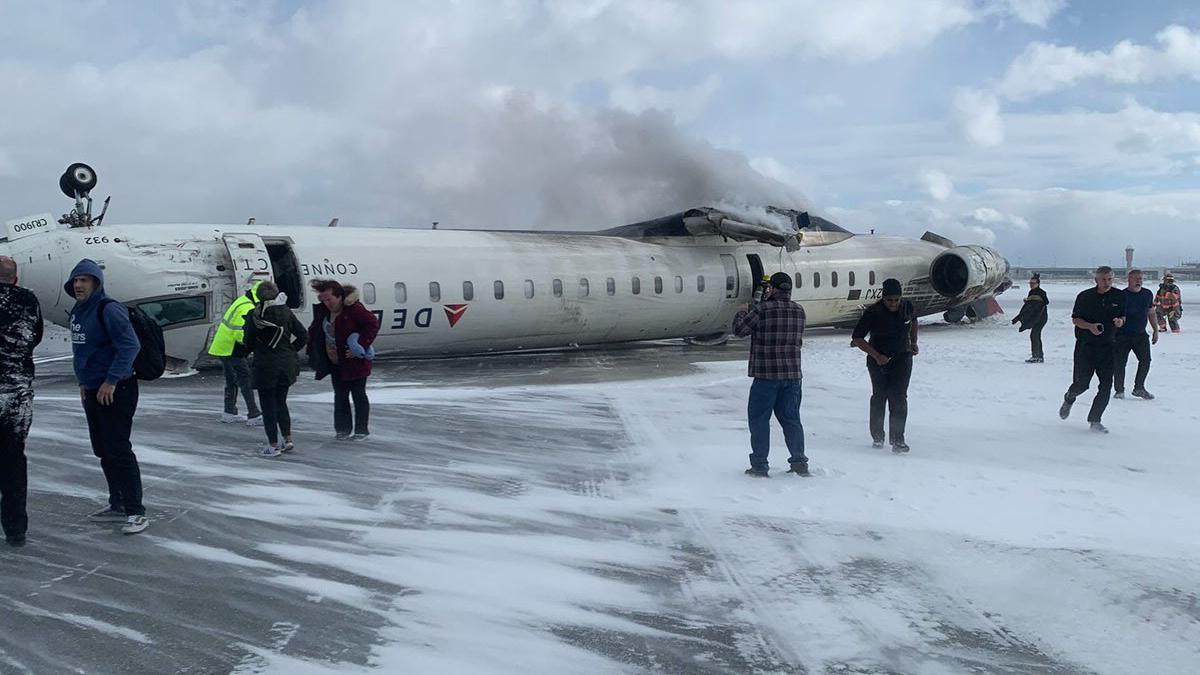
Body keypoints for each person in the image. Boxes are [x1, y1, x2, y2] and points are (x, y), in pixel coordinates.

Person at [66, 259, 149, 534]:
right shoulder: (78, 311)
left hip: (117, 389)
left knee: (118, 448)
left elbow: (130, 345)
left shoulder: (109, 309)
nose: (79, 285)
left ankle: (136, 511)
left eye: (85, 280)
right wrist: (83, 382)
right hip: (91, 389)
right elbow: (82, 352)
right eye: (76, 280)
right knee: (102, 449)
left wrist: (111, 381)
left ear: (96, 283)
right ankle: (118, 503)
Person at [731, 272, 808, 477]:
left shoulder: (762, 310)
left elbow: (739, 330)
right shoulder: (799, 311)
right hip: (792, 376)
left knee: (759, 421)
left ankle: (760, 465)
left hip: (766, 377)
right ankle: (799, 462)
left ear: (772, 289)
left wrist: (741, 312)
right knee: (792, 420)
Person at [0, 257, 43, 547]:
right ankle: (15, 529)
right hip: (16, 391)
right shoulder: (27, 300)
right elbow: (35, 336)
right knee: (14, 460)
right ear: (15, 278)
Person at [307, 279, 379, 440]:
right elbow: (314, 330)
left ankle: (361, 430)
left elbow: (372, 324)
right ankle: (342, 430)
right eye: (323, 300)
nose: (326, 303)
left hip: (355, 362)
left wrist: (359, 346)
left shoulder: (354, 310)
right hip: (335, 362)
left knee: (358, 394)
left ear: (339, 296)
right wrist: (312, 350)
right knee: (340, 395)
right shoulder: (323, 312)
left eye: (329, 299)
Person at [852, 278, 918, 453]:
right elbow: (857, 338)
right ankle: (878, 436)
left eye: (896, 300)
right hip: (878, 359)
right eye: (889, 300)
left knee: (899, 397)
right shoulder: (873, 312)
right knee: (880, 397)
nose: (893, 304)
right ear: (883, 297)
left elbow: (913, 322)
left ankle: (898, 439)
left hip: (902, 357)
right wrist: (877, 355)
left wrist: (914, 342)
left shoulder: (907, 306)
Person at [242, 281, 307, 457]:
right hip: (286, 364)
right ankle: (288, 439)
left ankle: (273, 445)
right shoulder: (286, 312)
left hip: (266, 365)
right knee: (281, 402)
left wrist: (248, 350)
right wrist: (290, 350)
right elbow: (303, 335)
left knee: (268, 405)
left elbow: (247, 341)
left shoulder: (254, 315)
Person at [1059, 266, 1126, 433]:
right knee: (1082, 384)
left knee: (1106, 385)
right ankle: (1070, 397)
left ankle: (1095, 420)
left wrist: (1120, 321)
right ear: (1096, 280)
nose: (1107, 282)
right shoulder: (1085, 297)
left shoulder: (1119, 296)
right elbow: (1075, 320)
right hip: (1086, 347)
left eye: (1110, 279)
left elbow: (1123, 316)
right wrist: (1089, 327)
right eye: (1103, 279)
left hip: (1109, 347)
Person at [207, 281, 265, 426]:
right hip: (232, 348)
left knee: (231, 380)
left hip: (223, 346)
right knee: (245, 379)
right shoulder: (248, 308)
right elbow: (241, 332)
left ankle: (229, 412)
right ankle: (254, 414)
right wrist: (252, 345)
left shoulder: (243, 300)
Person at [1113, 269, 1158, 401]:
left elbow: (1151, 312)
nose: (1138, 281)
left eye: (1140, 278)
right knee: (1120, 363)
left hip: (1140, 335)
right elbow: (1115, 315)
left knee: (1145, 360)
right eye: (1135, 278)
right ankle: (1119, 390)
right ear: (1129, 280)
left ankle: (1139, 388)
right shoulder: (1121, 296)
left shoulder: (1147, 294)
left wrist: (1155, 329)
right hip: (1122, 335)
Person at [1011, 272, 1048, 362]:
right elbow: (1030, 306)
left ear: (1038, 284)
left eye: (1033, 283)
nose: (1031, 285)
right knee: (1035, 335)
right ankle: (1039, 356)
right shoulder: (1031, 292)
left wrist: (1032, 304)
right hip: (1035, 317)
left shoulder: (1041, 292)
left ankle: (1037, 356)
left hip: (1040, 318)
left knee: (1034, 335)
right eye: (1030, 283)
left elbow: (1043, 303)